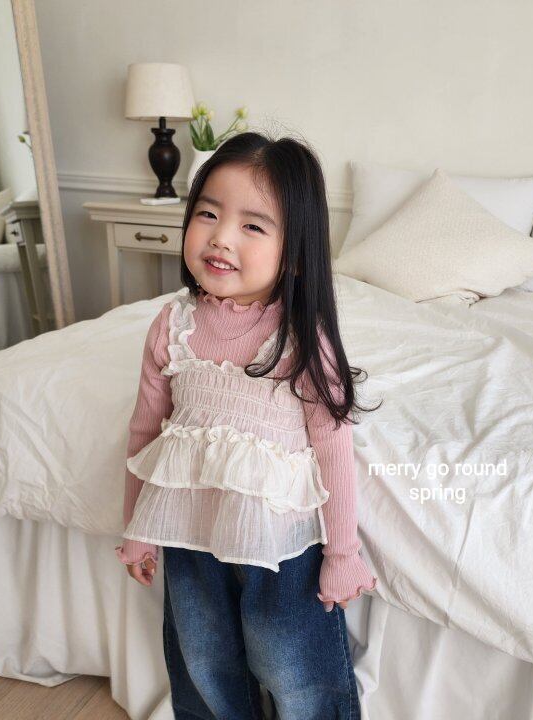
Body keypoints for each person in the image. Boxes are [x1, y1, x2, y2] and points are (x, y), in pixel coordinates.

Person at [114, 131, 381, 719]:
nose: (221, 237)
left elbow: (332, 443)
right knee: (202, 660)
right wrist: (137, 525)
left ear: (296, 253)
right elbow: (144, 430)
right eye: (208, 214)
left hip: (279, 541)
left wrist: (343, 553)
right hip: (188, 530)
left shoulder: (300, 338)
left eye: (253, 226)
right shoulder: (172, 325)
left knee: (294, 667)